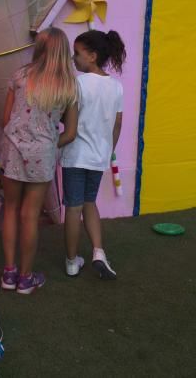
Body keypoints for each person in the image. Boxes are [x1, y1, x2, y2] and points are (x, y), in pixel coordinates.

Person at [0, 28, 79, 295]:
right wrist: (46, 145)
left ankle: (8, 274)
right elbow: (70, 132)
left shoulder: (20, 76)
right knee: (30, 215)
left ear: (39, 49)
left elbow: (6, 117)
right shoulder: (69, 86)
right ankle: (25, 278)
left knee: (10, 209)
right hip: (43, 154)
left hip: (12, 148)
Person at [62, 30, 126, 280]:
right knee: (90, 202)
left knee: (72, 207)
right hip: (99, 157)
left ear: (92, 55)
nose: (73, 58)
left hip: (76, 154)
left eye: (77, 53)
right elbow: (117, 125)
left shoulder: (77, 83)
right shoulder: (116, 87)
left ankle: (71, 261)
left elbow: (69, 120)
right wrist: (108, 151)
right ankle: (98, 252)